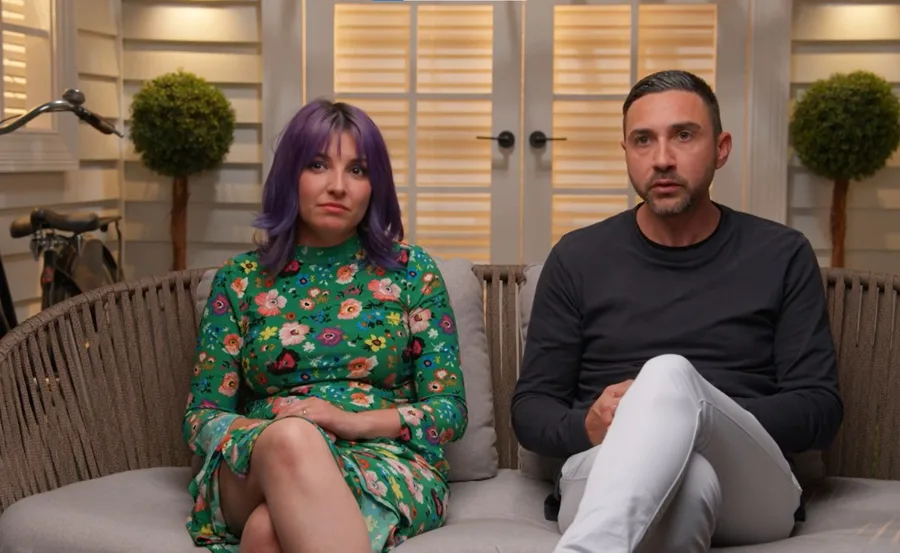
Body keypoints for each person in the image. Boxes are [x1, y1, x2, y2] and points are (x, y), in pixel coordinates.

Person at [510, 70, 843, 553]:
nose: (662, 159)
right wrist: (590, 424)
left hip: (751, 484)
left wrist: (693, 410)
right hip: (603, 469)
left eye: (683, 135)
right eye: (643, 140)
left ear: (721, 148)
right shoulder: (578, 257)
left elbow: (820, 408)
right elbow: (531, 411)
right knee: (689, 485)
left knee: (667, 376)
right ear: (625, 152)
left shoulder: (782, 253)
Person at [183, 99, 468, 553]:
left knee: (265, 533)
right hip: (257, 460)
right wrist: (282, 438)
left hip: (382, 462)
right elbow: (202, 416)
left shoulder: (412, 271)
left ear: (376, 186)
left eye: (358, 170)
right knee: (293, 443)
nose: (338, 186)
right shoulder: (239, 279)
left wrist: (347, 422)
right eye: (318, 165)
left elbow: (449, 412)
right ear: (290, 175)